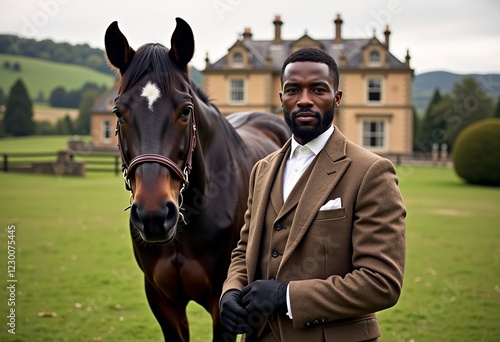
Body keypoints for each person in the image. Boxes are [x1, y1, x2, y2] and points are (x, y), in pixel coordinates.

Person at [219, 47, 406, 341]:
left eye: (318, 89)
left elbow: (381, 282)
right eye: (293, 90)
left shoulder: (371, 171)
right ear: (281, 98)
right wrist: (230, 290)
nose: (304, 100)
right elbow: (244, 250)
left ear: (337, 97)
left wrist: (287, 296)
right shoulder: (262, 170)